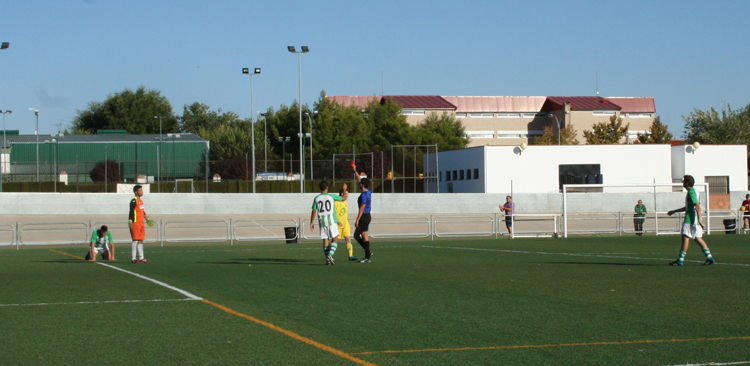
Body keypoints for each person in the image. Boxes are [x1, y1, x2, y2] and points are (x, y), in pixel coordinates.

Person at [667, 175, 715, 266]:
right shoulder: (694, 191)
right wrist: (674, 211)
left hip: (690, 220)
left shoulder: (691, 192)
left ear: (687, 183)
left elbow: (697, 206)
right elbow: (689, 207)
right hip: (695, 220)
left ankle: (680, 260)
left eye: (684, 181)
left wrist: (700, 220)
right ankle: (710, 258)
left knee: (685, 238)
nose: (682, 183)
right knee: (698, 238)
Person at [310, 180, 342, 265]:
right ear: (327, 187)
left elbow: (314, 211)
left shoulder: (316, 198)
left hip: (322, 221)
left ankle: (327, 261)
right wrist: (344, 190)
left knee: (325, 240)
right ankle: (330, 255)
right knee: (335, 239)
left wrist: (311, 222)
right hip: (331, 220)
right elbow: (342, 198)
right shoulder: (331, 196)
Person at [352, 163, 373, 263]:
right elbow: (360, 180)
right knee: (356, 235)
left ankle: (367, 256)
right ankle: (368, 251)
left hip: (364, 216)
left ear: (363, 185)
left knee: (364, 236)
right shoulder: (368, 191)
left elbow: (362, 207)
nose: (359, 183)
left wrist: (358, 219)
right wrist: (355, 170)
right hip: (366, 216)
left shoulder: (365, 195)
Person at [335, 185, 359, 261]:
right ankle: (330, 255)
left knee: (348, 239)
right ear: (342, 194)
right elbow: (333, 214)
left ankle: (351, 256)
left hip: (345, 225)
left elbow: (345, 214)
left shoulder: (346, 203)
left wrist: (348, 223)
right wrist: (337, 222)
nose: (347, 195)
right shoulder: (336, 203)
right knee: (334, 241)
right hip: (337, 225)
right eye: (346, 193)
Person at [129, 185, 151, 264]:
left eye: (142, 190)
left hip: (141, 223)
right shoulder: (134, 201)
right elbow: (131, 211)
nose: (142, 192)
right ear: (136, 192)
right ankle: (133, 258)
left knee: (141, 240)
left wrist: (147, 218)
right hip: (135, 222)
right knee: (135, 240)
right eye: (140, 190)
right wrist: (130, 221)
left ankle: (141, 258)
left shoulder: (141, 201)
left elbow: (142, 211)